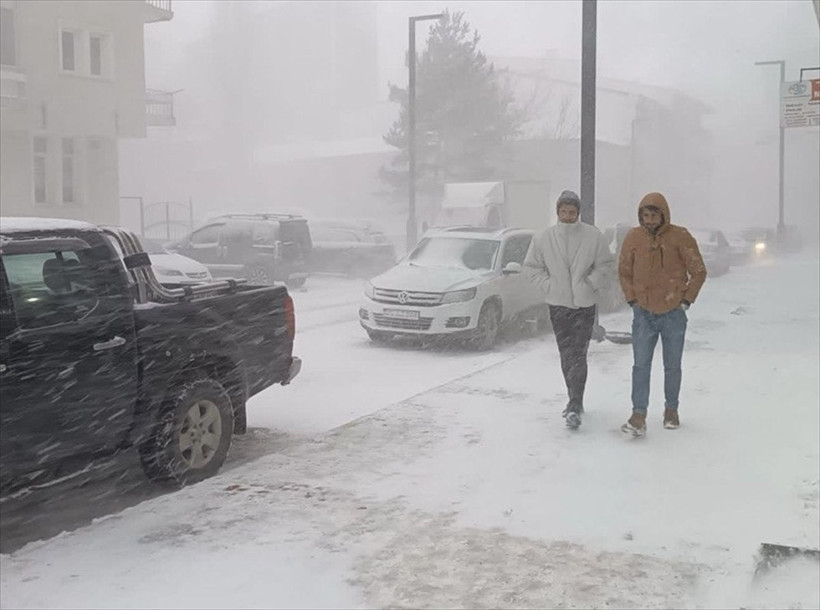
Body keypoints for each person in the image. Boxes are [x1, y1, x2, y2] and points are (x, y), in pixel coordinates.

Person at [618, 192, 707, 437]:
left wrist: (686, 300)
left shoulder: (680, 237)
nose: (650, 220)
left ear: (663, 214)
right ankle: (638, 415)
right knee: (640, 366)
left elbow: (698, 271)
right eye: (645, 215)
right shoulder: (633, 238)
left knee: (672, 366)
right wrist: (632, 299)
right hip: (644, 313)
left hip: (673, 313)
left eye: (654, 214)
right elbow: (624, 271)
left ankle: (671, 410)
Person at [524, 190, 615, 428]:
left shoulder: (592, 236)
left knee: (579, 354)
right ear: (557, 213)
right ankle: (572, 398)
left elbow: (605, 265)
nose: (567, 216)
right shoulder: (543, 238)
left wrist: (590, 284)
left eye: (572, 212)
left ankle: (575, 402)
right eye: (563, 212)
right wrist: (550, 285)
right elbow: (532, 268)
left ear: (578, 213)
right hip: (558, 304)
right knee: (566, 354)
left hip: (584, 305)